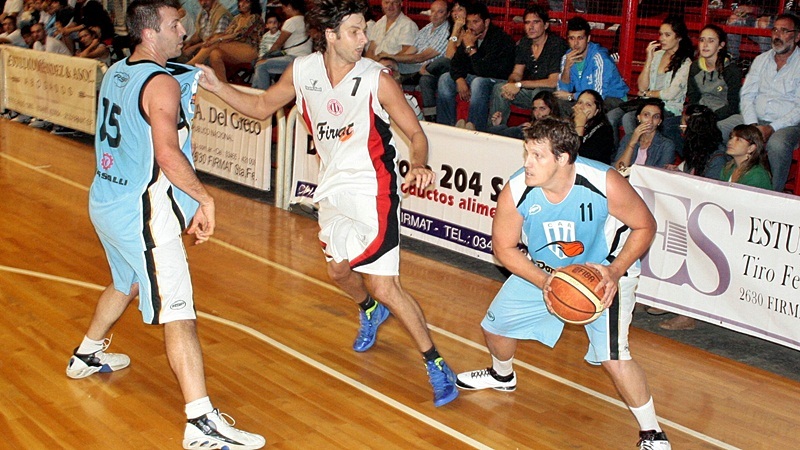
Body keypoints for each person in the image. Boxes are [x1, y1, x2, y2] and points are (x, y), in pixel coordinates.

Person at [196, 0, 459, 408]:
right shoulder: (303, 71)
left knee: (386, 285)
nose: (364, 38)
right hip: (332, 187)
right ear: (332, 36)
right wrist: (218, 87)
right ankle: (368, 309)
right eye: (355, 31)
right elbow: (262, 106)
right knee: (338, 272)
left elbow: (416, 133)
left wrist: (419, 162)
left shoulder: (377, 78)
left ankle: (437, 364)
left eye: (364, 30)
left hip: (375, 188)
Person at [65, 1, 266, 448]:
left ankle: (85, 354)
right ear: (150, 33)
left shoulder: (120, 70)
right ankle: (200, 422)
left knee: (127, 282)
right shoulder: (161, 85)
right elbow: (168, 154)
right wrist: (205, 197)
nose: (184, 30)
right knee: (180, 310)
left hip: (105, 199)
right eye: (175, 24)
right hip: (142, 213)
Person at [455, 117, 671, 450]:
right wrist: (546, 282)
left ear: (564, 158)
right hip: (545, 271)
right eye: (526, 152)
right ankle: (502, 375)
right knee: (495, 328)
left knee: (614, 356)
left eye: (537, 155)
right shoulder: (517, 190)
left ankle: (652, 433)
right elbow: (504, 249)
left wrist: (613, 272)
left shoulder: (603, 181)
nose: (527, 163)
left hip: (604, 273)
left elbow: (645, 226)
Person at [717, 13, 800, 192]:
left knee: (777, 145)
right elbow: (747, 95)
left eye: (784, 31)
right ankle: (723, 183)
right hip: (754, 119)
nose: (777, 35)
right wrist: (752, 124)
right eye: (775, 30)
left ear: (797, 36)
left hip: (787, 125)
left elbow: (798, 109)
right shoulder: (761, 60)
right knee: (718, 129)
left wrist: (772, 128)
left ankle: (772, 195)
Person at [610, 16, 692, 150]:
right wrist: (649, 58)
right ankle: (614, 154)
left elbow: (670, 94)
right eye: (661, 34)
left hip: (668, 107)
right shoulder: (658, 55)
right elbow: (642, 86)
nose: (662, 38)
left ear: (679, 37)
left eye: (667, 35)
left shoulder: (685, 62)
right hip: (646, 102)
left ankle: (634, 154)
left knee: (629, 118)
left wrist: (647, 93)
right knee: (611, 117)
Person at [436, 1, 514, 131]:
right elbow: (455, 63)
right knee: (445, 78)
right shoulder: (469, 36)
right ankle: (446, 127)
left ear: (487, 22)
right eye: (468, 22)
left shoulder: (500, 40)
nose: (471, 26)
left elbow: (483, 71)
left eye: (476, 22)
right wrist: (460, 79)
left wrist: (471, 48)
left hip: (496, 79)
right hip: (477, 76)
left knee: (478, 82)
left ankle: (474, 127)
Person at [488, 5, 568, 128]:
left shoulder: (556, 44)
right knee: (500, 88)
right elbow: (517, 73)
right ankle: (496, 130)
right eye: (527, 23)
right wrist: (511, 84)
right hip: (529, 93)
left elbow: (552, 82)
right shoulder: (524, 43)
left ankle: (538, 132)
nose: (531, 27)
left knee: (540, 93)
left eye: (535, 22)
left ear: (546, 25)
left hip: (550, 94)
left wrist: (519, 85)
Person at [554, 17, 628, 115]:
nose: (576, 43)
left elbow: (598, 96)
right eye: (572, 38)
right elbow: (562, 91)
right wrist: (567, 68)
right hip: (583, 98)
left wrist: (571, 96)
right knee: (558, 103)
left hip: (612, 98)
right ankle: (567, 130)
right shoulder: (567, 58)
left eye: (580, 38)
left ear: (588, 38)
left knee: (589, 108)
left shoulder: (599, 58)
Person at [188, 0, 263, 82]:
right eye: (241, 1)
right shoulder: (237, 18)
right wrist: (213, 38)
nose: (242, 4)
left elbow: (239, 34)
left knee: (216, 43)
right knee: (215, 53)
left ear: (253, 4)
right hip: (234, 49)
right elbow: (227, 33)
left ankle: (190, 65)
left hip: (250, 50)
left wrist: (217, 39)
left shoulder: (255, 17)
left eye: (247, 2)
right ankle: (222, 84)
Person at [418, 0, 468, 120]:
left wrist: (456, 29)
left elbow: (450, 57)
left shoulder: (471, 29)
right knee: (425, 80)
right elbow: (450, 54)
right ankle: (431, 118)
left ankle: (425, 70)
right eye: (454, 10)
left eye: (460, 9)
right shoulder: (452, 30)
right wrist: (455, 30)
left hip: (465, 69)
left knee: (442, 62)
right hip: (450, 69)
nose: (456, 13)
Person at [381, 0, 449, 83]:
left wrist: (390, 57)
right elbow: (410, 51)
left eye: (440, 12)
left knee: (386, 69)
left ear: (447, 14)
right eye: (433, 11)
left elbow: (421, 57)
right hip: (413, 66)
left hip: (424, 69)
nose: (434, 15)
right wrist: (390, 60)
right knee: (385, 65)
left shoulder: (447, 31)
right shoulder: (428, 27)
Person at [686, 24, 741, 123]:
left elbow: (733, 105)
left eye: (711, 41)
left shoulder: (731, 70)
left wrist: (710, 117)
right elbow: (693, 97)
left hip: (725, 117)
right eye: (702, 40)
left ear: (721, 45)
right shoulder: (695, 67)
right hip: (701, 114)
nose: (705, 44)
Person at [251, 0, 310, 90]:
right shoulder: (307, 20)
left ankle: (259, 94)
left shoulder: (291, 22)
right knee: (265, 64)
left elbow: (278, 44)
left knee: (261, 65)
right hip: (305, 59)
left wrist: (264, 57)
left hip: (294, 58)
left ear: (289, 6)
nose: (283, 10)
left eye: (284, 7)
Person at [614, 98, 676, 171]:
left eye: (656, 117)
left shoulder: (667, 145)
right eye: (646, 115)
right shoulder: (628, 138)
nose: (650, 121)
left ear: (659, 121)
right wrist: (632, 143)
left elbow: (659, 176)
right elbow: (618, 169)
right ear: (639, 117)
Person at [488, 90, 561, 139]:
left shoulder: (558, 130)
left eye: (542, 109)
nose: (538, 113)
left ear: (552, 109)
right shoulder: (527, 126)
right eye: (535, 109)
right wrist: (497, 125)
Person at [721, 124, 773, 189]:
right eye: (731, 138)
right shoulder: (727, 169)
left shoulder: (757, 175)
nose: (730, 142)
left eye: (738, 139)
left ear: (751, 148)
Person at [573, 89, 615, 164]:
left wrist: (580, 125)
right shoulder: (567, 123)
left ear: (596, 111)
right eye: (580, 103)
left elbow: (582, 156)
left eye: (588, 104)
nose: (582, 107)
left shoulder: (604, 130)